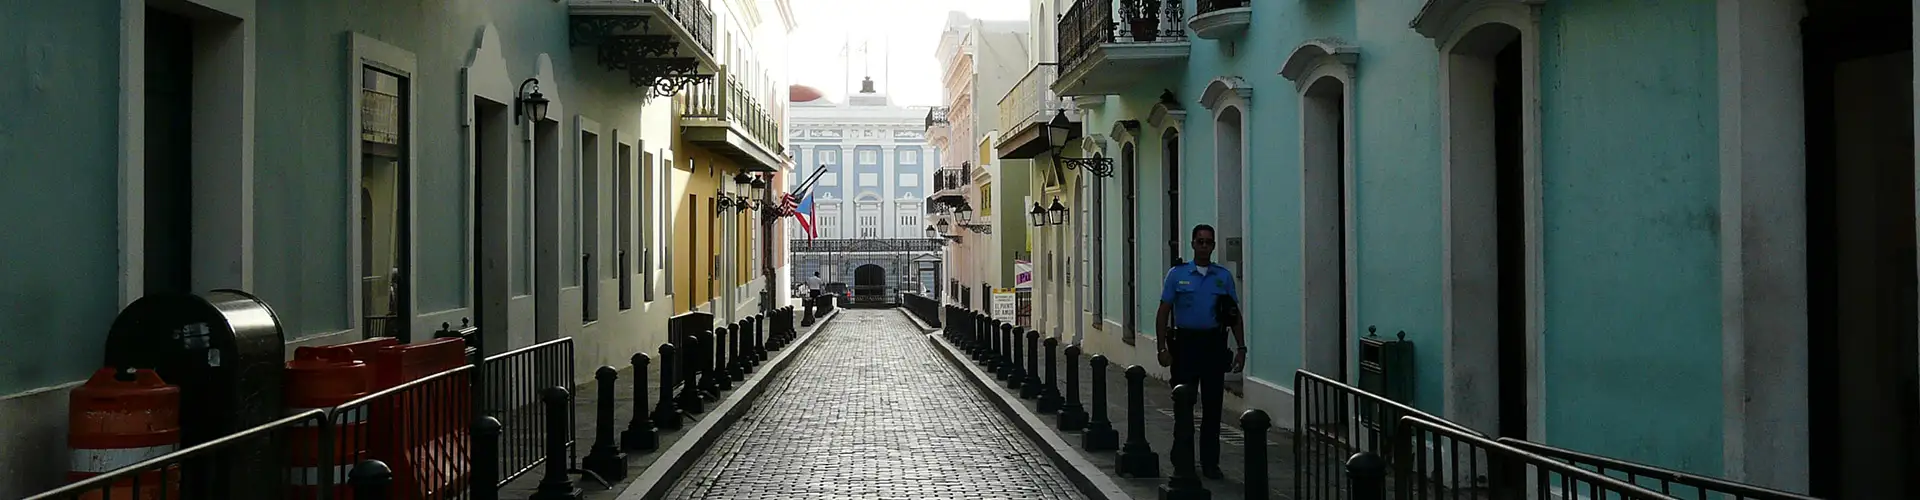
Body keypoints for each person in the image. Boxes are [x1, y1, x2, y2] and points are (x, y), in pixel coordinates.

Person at [1155, 223, 1244, 479]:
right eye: (1200, 241)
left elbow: (1234, 315)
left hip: (1213, 345)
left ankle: (1210, 462)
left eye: (1209, 242)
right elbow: (1163, 312)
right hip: (1185, 345)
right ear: (1193, 244)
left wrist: (1241, 348)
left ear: (1214, 246)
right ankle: (1182, 456)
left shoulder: (1223, 277)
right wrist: (1162, 347)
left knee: (1213, 406)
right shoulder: (1177, 275)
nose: (1204, 246)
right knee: (1184, 403)